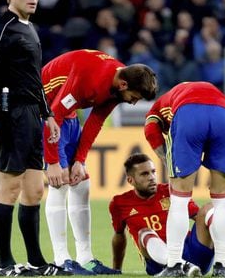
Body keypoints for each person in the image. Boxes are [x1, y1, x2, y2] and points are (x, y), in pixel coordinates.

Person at [0, 0, 68, 276]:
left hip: (30, 115)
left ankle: (37, 262)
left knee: (35, 190)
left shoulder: (29, 28)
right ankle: (4, 263)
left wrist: (48, 114)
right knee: (10, 188)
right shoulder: (0, 27)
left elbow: (34, 79)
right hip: (8, 112)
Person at [42, 49, 158, 275]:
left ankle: (85, 258)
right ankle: (61, 259)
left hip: (68, 114)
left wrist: (80, 160)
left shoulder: (118, 82)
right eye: (134, 98)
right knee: (60, 182)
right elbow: (53, 115)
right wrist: (53, 162)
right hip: (43, 111)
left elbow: (96, 120)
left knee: (81, 181)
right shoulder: (89, 77)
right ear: (124, 85)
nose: (133, 103)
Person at [144, 81, 225, 277]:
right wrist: (221, 162)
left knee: (180, 199)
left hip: (188, 113)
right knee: (223, 202)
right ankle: (222, 266)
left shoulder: (159, 107)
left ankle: (174, 265)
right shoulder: (212, 92)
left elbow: (150, 130)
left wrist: (169, 160)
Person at [109, 153, 225, 277]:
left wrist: (215, 236)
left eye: (153, 172)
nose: (152, 177)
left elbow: (201, 218)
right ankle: (179, 266)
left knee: (210, 210)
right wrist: (116, 269)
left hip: (192, 253)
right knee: (144, 233)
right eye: (144, 174)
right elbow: (119, 236)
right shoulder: (119, 203)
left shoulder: (170, 191)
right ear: (130, 180)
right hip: (159, 265)